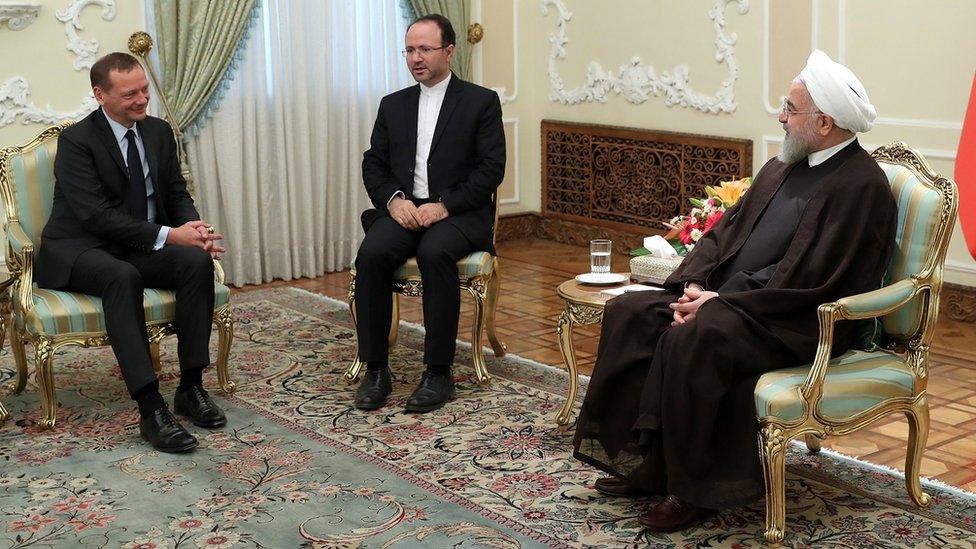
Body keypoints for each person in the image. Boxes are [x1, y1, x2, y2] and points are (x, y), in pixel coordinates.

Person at [572, 50, 898, 531]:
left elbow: (813, 279)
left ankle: (690, 489)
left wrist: (720, 302)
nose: (781, 116)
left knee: (695, 337)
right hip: (729, 300)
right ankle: (646, 463)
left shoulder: (860, 185)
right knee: (632, 311)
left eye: (790, 108)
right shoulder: (781, 166)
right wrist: (696, 283)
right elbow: (724, 233)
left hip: (795, 320)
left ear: (825, 122)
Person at [36, 52, 228, 453]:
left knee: (196, 262)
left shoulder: (158, 133)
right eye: (130, 94)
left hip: (138, 244)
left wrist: (195, 232)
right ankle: (151, 409)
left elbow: (176, 193)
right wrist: (169, 235)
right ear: (100, 95)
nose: (142, 99)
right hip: (81, 248)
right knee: (122, 277)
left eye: (144, 90)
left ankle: (191, 387)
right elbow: (95, 217)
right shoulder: (76, 141)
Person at [353, 14, 505, 413]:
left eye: (424, 49)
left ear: (449, 51)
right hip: (405, 209)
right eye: (410, 50)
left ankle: (438, 372)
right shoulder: (393, 105)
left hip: (459, 212)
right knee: (371, 254)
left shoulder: (480, 102)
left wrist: (444, 206)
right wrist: (395, 201)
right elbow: (374, 164)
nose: (415, 58)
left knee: (436, 252)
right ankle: (376, 369)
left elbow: (490, 170)